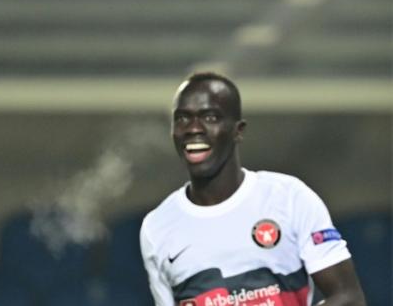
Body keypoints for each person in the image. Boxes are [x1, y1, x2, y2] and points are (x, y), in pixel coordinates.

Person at [140, 72, 366, 306]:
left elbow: (349, 298)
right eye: (182, 119)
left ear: (239, 130)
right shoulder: (156, 227)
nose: (193, 128)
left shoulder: (289, 197)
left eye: (210, 117)